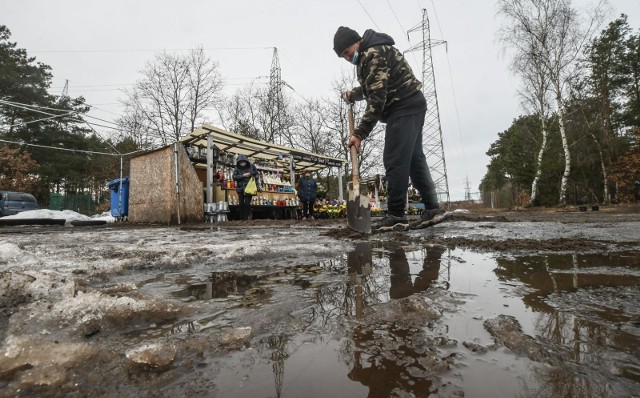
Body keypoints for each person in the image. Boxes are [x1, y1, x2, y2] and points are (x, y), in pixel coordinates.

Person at [333, 26, 443, 231]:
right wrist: (354, 95)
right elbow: (373, 87)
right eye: (343, 57)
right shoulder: (370, 54)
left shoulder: (373, 54)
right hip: (412, 104)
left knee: (395, 159)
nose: (347, 58)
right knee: (413, 159)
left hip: (403, 106)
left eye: (347, 53)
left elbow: (377, 100)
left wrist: (359, 133)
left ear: (356, 42)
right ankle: (432, 208)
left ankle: (396, 214)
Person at [232, 155, 261, 221]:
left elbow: (256, 174)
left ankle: (246, 218)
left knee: (247, 203)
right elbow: (234, 177)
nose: (242, 163)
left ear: (246, 161)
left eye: (243, 161)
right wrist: (243, 175)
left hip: (249, 187)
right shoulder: (237, 168)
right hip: (240, 188)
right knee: (241, 203)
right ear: (238, 162)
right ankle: (242, 218)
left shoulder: (252, 166)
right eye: (240, 162)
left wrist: (252, 175)